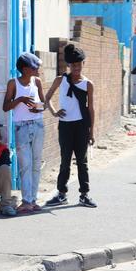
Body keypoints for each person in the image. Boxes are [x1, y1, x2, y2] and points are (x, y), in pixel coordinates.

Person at [44, 44, 97, 208]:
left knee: (82, 162)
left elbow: (91, 109)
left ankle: (84, 195)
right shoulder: (61, 80)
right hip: (65, 126)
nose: (76, 68)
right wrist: (54, 112)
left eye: (78, 64)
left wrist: (91, 131)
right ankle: (61, 194)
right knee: (65, 160)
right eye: (73, 65)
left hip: (81, 126)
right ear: (68, 65)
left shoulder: (88, 84)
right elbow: (47, 97)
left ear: (83, 64)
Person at [2, 52, 45, 214]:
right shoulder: (13, 84)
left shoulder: (37, 82)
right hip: (21, 127)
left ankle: (33, 200)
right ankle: (26, 200)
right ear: (25, 69)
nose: (38, 70)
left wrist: (37, 108)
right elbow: (5, 107)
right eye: (35, 67)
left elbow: (44, 105)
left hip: (38, 125)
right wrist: (20, 100)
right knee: (25, 165)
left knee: (36, 163)